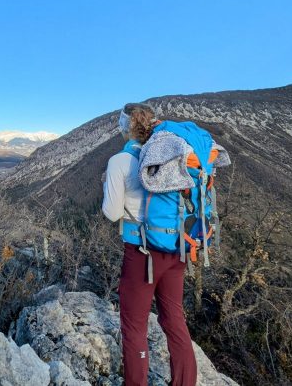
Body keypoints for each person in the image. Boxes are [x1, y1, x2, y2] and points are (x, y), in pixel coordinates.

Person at [102, 103, 197, 386]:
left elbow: (112, 213)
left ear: (126, 127)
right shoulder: (169, 154)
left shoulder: (120, 161)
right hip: (175, 247)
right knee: (173, 319)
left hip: (142, 253)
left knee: (134, 325)